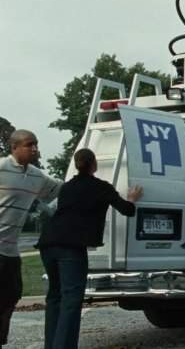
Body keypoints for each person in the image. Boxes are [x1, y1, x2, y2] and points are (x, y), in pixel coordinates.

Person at [35, 149, 141, 349]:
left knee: (55, 297)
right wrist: (132, 198)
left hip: (48, 243)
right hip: (71, 246)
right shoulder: (101, 187)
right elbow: (127, 210)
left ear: (76, 164)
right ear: (94, 164)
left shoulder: (66, 187)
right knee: (71, 300)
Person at [0, 130, 61, 348]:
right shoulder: (1, 167)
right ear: (14, 147)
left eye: (36, 144)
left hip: (10, 251)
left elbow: (61, 189)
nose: (34, 149)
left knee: (12, 295)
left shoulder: (37, 176)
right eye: (29, 145)